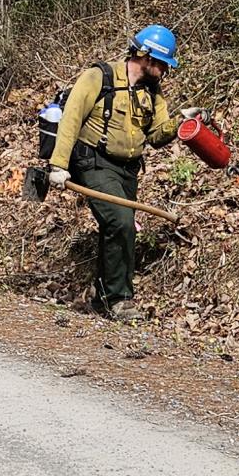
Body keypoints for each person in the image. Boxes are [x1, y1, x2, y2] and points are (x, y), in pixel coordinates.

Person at [47, 24, 182, 321]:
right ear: (145, 56)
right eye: (162, 64)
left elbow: (158, 135)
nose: (165, 71)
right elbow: (71, 119)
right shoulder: (99, 77)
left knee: (120, 228)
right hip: (93, 162)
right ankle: (120, 300)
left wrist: (180, 123)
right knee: (120, 221)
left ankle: (102, 294)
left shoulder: (152, 93)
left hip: (127, 170)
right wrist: (58, 165)